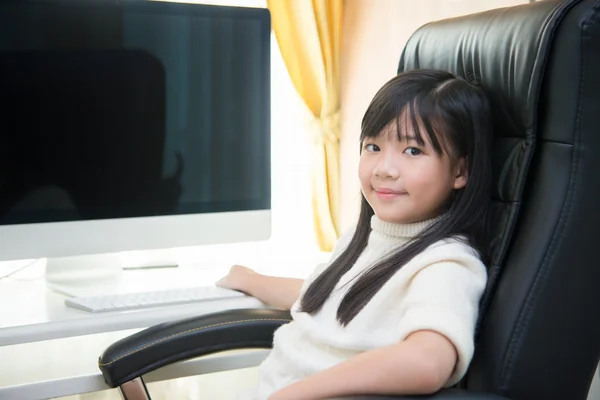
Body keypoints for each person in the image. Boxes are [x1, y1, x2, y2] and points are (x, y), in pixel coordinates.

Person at [217, 69, 493, 400]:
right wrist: (249, 278)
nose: (383, 168)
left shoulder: (445, 264)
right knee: (133, 386)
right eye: (373, 146)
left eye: (413, 151)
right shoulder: (367, 236)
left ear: (460, 171)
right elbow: (330, 298)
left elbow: (427, 361)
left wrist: (294, 394)